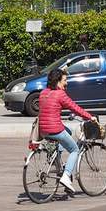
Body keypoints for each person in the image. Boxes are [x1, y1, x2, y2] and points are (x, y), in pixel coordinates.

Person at [37, 66, 92, 194]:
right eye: (65, 80)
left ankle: (57, 160)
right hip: (55, 129)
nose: (66, 83)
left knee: (68, 132)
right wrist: (90, 117)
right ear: (58, 81)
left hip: (44, 130)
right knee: (74, 150)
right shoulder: (60, 94)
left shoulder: (43, 93)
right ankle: (66, 176)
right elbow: (74, 108)